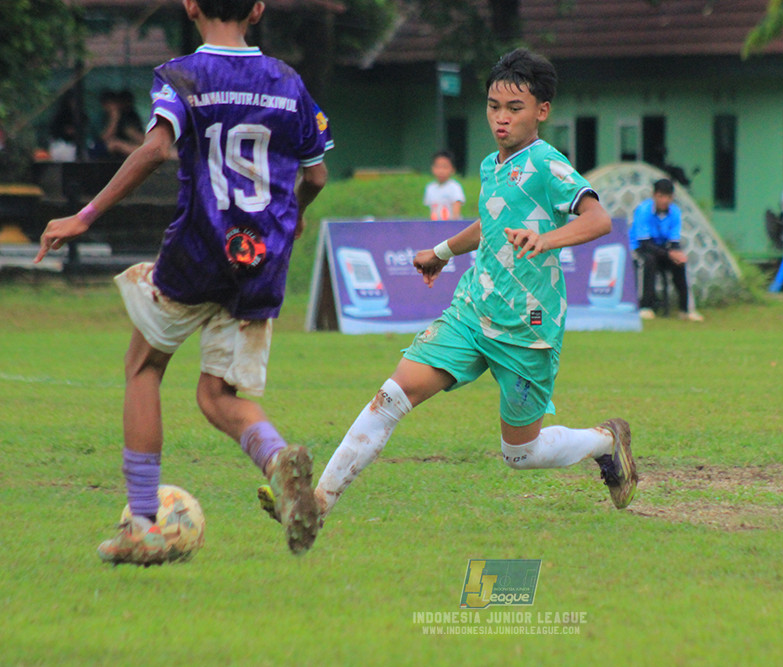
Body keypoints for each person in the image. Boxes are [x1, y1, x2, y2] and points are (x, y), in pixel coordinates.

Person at [258, 48, 638, 529]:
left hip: (527, 326)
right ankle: (316, 503)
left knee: (521, 455)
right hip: (471, 312)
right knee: (392, 395)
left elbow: (598, 219)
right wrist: (442, 251)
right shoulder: (492, 164)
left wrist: (545, 239)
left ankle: (606, 440)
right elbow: (492, 221)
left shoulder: (549, 164)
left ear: (542, 111)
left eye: (514, 109)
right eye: (494, 107)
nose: (501, 119)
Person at [34, 0, 333, 565]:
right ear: (259, 9)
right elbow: (315, 173)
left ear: (190, 5)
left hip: (200, 249)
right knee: (219, 395)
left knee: (144, 366)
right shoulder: (288, 82)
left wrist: (84, 216)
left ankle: (143, 525)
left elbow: (154, 149)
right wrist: (288, 220)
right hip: (261, 258)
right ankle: (276, 463)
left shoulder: (183, 75)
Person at [629, 178, 703, 321]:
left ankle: (686, 310)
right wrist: (669, 253)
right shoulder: (643, 210)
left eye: (668, 197)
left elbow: (674, 241)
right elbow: (644, 243)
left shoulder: (675, 212)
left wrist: (677, 254)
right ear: (654, 195)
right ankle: (645, 307)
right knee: (648, 261)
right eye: (661, 196)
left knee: (680, 262)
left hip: (662, 250)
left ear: (672, 197)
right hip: (640, 249)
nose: (664, 200)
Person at [97, 89, 146, 159]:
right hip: (104, 149)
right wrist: (115, 117)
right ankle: (144, 153)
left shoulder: (131, 116)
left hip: (130, 145)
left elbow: (135, 135)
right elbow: (104, 138)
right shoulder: (101, 117)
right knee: (115, 144)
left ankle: (144, 153)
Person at [422, 149, 465, 220]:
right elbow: (431, 210)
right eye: (438, 167)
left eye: (445, 167)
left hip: (451, 226)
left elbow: (456, 210)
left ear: (452, 169)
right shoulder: (430, 187)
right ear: (433, 169)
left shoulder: (455, 187)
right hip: (436, 226)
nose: (441, 171)